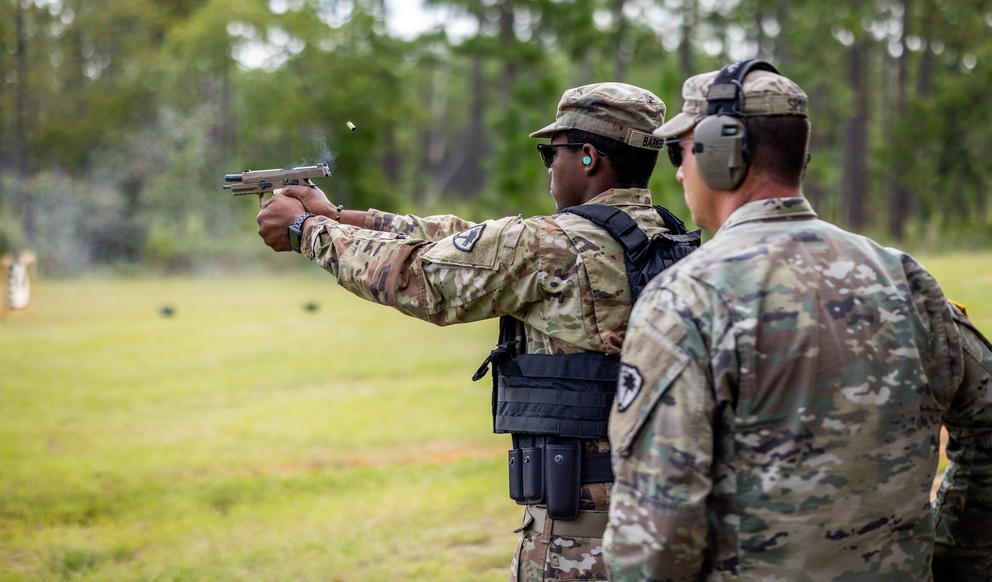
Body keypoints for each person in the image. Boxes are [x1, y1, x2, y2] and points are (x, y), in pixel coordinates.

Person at [255, 82, 699, 581]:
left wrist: (307, 232)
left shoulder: (544, 246)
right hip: (664, 519)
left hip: (580, 538)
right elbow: (468, 242)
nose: (550, 166)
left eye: (552, 153)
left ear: (589, 157)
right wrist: (339, 217)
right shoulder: (672, 238)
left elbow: (417, 275)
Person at [603, 60, 992, 581]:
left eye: (682, 152)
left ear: (722, 154)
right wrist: (953, 568)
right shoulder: (908, 281)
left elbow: (656, 535)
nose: (678, 170)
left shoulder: (687, 298)